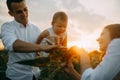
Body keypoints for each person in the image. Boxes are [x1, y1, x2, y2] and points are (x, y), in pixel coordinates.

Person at [1, 0, 58, 80]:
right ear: (11, 13)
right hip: (15, 77)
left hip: (35, 76)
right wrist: (42, 47)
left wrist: (52, 48)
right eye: (19, 12)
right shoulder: (7, 27)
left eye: (25, 9)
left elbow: (41, 53)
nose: (24, 14)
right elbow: (14, 45)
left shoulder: (36, 29)